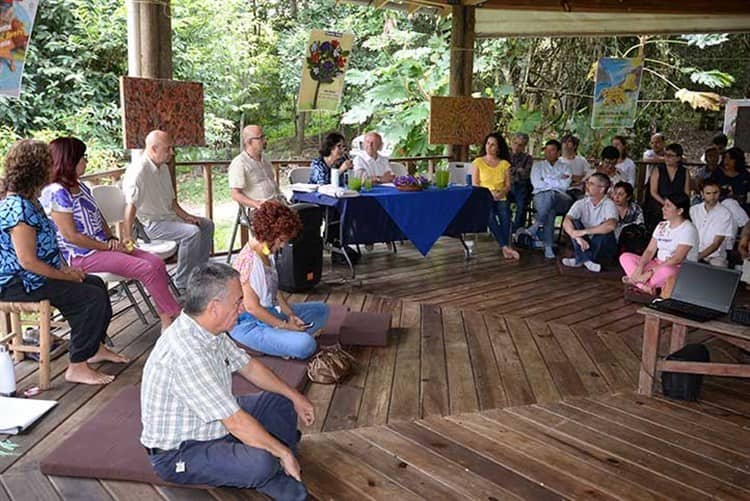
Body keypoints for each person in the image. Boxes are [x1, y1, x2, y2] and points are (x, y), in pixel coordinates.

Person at [140, 263, 312, 500]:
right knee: (260, 463)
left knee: (279, 400)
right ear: (214, 307)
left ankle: (273, 456)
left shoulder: (209, 329)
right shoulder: (185, 352)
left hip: (214, 421)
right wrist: (282, 452)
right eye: (237, 302)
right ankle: (274, 463)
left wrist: (295, 396)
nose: (243, 308)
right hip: (180, 451)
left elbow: (249, 367)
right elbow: (234, 421)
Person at [0, 139, 125, 385]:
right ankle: (77, 365)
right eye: (48, 164)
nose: (53, 168)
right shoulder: (18, 209)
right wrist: (65, 276)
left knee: (97, 285)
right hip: (18, 283)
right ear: (36, 170)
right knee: (89, 298)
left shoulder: (30, 201)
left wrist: (65, 268)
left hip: (37, 276)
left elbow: (46, 248)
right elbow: (28, 261)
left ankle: (94, 347)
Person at [40, 137, 181, 329]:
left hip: (102, 247)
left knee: (155, 262)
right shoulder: (56, 192)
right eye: (82, 157)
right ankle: (175, 317)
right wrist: (106, 246)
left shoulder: (80, 186)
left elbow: (98, 218)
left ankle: (167, 318)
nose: (85, 161)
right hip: (81, 256)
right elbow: (70, 236)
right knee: (146, 269)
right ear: (69, 160)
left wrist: (112, 239)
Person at [229, 202, 329, 359]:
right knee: (306, 345)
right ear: (269, 234)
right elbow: (252, 307)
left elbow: (274, 291)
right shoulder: (250, 261)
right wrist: (284, 325)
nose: (283, 245)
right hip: (248, 323)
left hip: (269, 312)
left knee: (322, 310)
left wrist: (290, 315)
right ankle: (279, 341)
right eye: (281, 240)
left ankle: (281, 342)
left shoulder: (266, 252)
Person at [122, 130, 215, 293]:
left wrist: (188, 217)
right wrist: (128, 237)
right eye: (168, 149)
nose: (172, 152)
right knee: (191, 233)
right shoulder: (138, 171)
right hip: (150, 226)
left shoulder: (163, 168)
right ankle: (183, 282)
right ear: (153, 149)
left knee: (206, 224)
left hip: (169, 219)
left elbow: (172, 203)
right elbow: (130, 207)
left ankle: (200, 274)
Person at [620, 192, 698, 295]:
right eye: (664, 205)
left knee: (666, 271)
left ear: (680, 211)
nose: (663, 209)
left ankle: (635, 281)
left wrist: (650, 272)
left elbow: (677, 259)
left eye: (668, 206)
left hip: (677, 267)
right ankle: (644, 286)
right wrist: (640, 267)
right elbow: (650, 250)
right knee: (625, 257)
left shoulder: (688, 229)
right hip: (657, 263)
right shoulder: (662, 225)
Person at [471, 133, 520, 260]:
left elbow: (508, 185)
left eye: (492, 144)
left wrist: (503, 192)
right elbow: (475, 184)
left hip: (500, 196)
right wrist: (489, 193)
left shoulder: (504, 164)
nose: (489, 146)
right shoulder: (478, 162)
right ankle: (505, 246)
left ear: (498, 148)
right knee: (489, 216)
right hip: (483, 196)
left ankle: (506, 246)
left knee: (505, 216)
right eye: (488, 143)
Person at [524, 139, 573, 259]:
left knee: (551, 194)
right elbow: (537, 184)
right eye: (547, 150)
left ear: (558, 153)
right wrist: (556, 180)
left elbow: (565, 185)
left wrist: (545, 180)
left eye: (552, 150)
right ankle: (548, 247)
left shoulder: (566, 167)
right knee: (550, 210)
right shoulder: (537, 166)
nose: (549, 153)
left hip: (561, 198)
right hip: (540, 197)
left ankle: (538, 223)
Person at [561, 172, 618, 272]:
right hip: (583, 243)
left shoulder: (609, 204)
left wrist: (583, 232)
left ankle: (581, 259)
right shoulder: (580, 203)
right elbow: (566, 221)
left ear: (602, 189)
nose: (586, 186)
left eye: (591, 184)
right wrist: (576, 236)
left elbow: (611, 225)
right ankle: (586, 260)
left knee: (604, 229)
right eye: (587, 183)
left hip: (603, 245)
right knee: (573, 222)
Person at [228, 124, 285, 210]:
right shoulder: (239, 163)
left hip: (277, 205)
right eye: (260, 138)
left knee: (306, 212)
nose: (264, 140)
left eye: (264, 137)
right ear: (249, 142)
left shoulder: (265, 159)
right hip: (259, 210)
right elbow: (235, 194)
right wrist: (256, 204)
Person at [645, 142, 690, 233]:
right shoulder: (658, 170)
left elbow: (686, 192)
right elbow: (653, 192)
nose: (667, 158)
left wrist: (677, 205)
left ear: (678, 158)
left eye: (670, 155)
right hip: (659, 202)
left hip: (677, 203)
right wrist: (665, 203)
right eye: (665, 155)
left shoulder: (684, 171)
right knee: (658, 212)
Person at [690, 180, 734, 267]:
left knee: (718, 273)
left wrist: (697, 257)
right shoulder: (693, 210)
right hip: (692, 252)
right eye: (708, 193)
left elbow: (716, 244)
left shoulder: (725, 213)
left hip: (715, 256)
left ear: (719, 193)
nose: (712, 197)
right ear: (702, 194)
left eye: (715, 193)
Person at [611, 181, 647, 255]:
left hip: (629, 242)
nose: (616, 197)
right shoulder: (608, 207)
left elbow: (641, 225)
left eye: (620, 194)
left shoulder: (635, 208)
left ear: (628, 197)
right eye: (615, 193)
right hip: (611, 240)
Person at [508, 132, 534, 232]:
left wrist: (512, 171)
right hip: (506, 185)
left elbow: (526, 174)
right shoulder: (505, 155)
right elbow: (504, 171)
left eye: (520, 145)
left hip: (521, 186)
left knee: (522, 204)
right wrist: (517, 170)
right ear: (511, 142)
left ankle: (517, 230)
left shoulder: (528, 158)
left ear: (524, 146)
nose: (517, 147)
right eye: (515, 143)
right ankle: (507, 227)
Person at [559, 134, 591, 199]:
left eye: (569, 142)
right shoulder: (558, 161)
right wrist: (572, 177)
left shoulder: (581, 160)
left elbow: (589, 174)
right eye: (564, 142)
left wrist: (581, 180)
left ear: (575, 146)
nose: (566, 144)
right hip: (562, 191)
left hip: (577, 191)